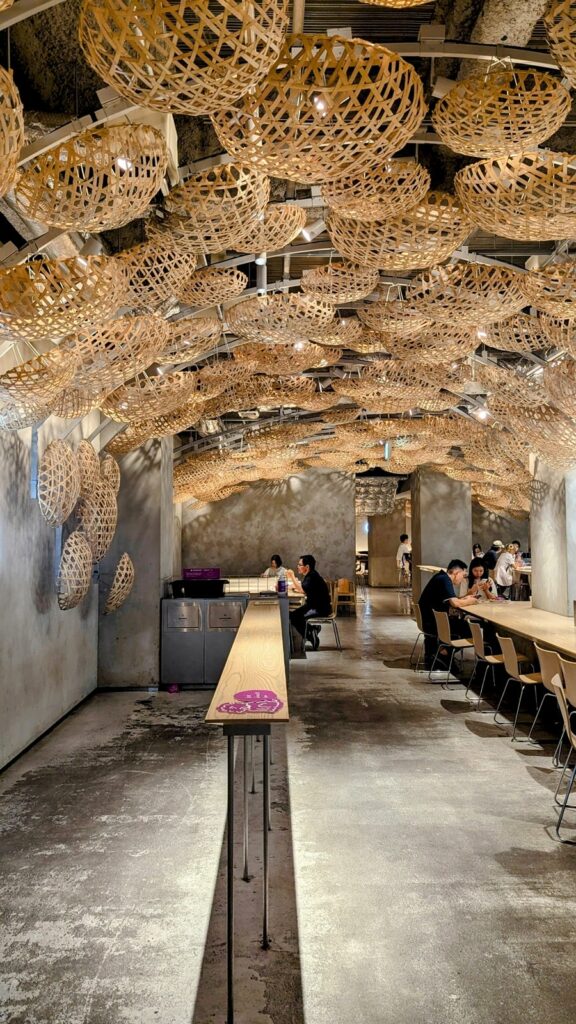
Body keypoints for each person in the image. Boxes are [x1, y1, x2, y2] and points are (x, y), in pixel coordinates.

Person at [418, 559, 479, 671]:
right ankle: (444, 652)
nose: (463, 579)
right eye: (463, 575)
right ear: (456, 573)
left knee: (465, 625)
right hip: (435, 624)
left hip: (431, 621)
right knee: (473, 629)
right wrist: (470, 601)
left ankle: (443, 651)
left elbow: (453, 600)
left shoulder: (440, 577)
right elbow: (455, 603)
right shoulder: (445, 580)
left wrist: (465, 597)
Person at [289, 554, 332, 651]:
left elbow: (302, 589)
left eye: (300, 565)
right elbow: (303, 588)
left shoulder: (312, 576)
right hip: (313, 605)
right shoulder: (311, 575)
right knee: (292, 616)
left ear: (307, 567)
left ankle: (311, 634)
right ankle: (312, 630)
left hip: (319, 609)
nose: (298, 567)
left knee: (294, 617)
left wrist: (292, 576)